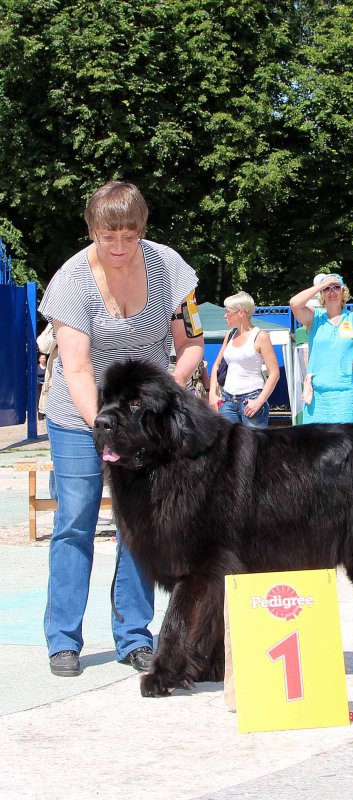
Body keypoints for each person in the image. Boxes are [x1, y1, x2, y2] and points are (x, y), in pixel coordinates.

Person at [38, 180, 204, 677]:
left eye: (128, 236)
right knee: (75, 522)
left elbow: (192, 344)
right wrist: (106, 429)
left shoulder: (171, 269)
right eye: (106, 235)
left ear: (142, 231)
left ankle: (135, 635)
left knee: (142, 527)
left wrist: (159, 399)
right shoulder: (70, 281)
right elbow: (77, 369)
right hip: (80, 415)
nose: (117, 246)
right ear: (91, 231)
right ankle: (63, 639)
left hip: (144, 417)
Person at [289, 274, 353, 423]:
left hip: (345, 394)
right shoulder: (314, 317)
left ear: (343, 291)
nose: (332, 292)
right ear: (322, 294)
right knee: (317, 443)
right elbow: (294, 303)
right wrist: (320, 285)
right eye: (327, 289)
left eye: (336, 287)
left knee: (347, 442)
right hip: (318, 395)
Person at [208, 291, 280, 427]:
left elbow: (274, 373)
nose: (225, 315)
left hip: (251, 400)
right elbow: (216, 365)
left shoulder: (260, 336)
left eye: (228, 312)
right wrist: (212, 394)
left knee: (254, 446)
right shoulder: (231, 334)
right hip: (227, 400)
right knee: (228, 446)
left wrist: (259, 401)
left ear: (241, 313)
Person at [36, 353, 47, 418]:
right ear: (39, 359)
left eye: (44, 358)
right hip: (38, 384)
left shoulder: (48, 366)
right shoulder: (37, 366)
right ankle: (39, 412)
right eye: (42, 358)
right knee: (39, 398)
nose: (43, 359)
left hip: (46, 384)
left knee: (45, 398)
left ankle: (45, 411)